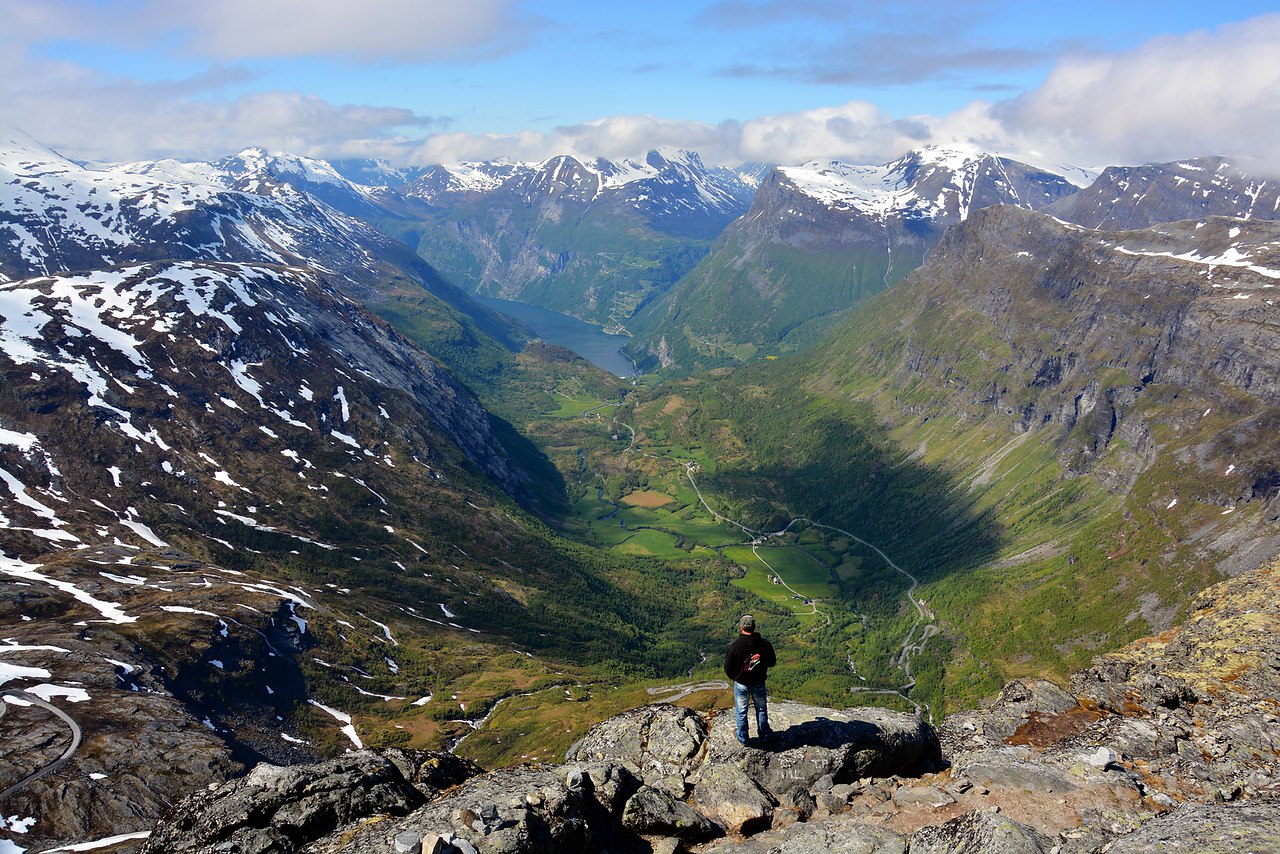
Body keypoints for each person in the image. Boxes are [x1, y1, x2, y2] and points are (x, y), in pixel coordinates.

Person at [723, 614, 776, 745]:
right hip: (758, 682)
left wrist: (736, 677)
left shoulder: (735, 646)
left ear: (741, 627)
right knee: (761, 709)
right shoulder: (764, 644)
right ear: (754, 627)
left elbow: (728, 667)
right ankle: (764, 734)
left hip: (741, 683)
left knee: (741, 711)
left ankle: (743, 737)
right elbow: (772, 662)